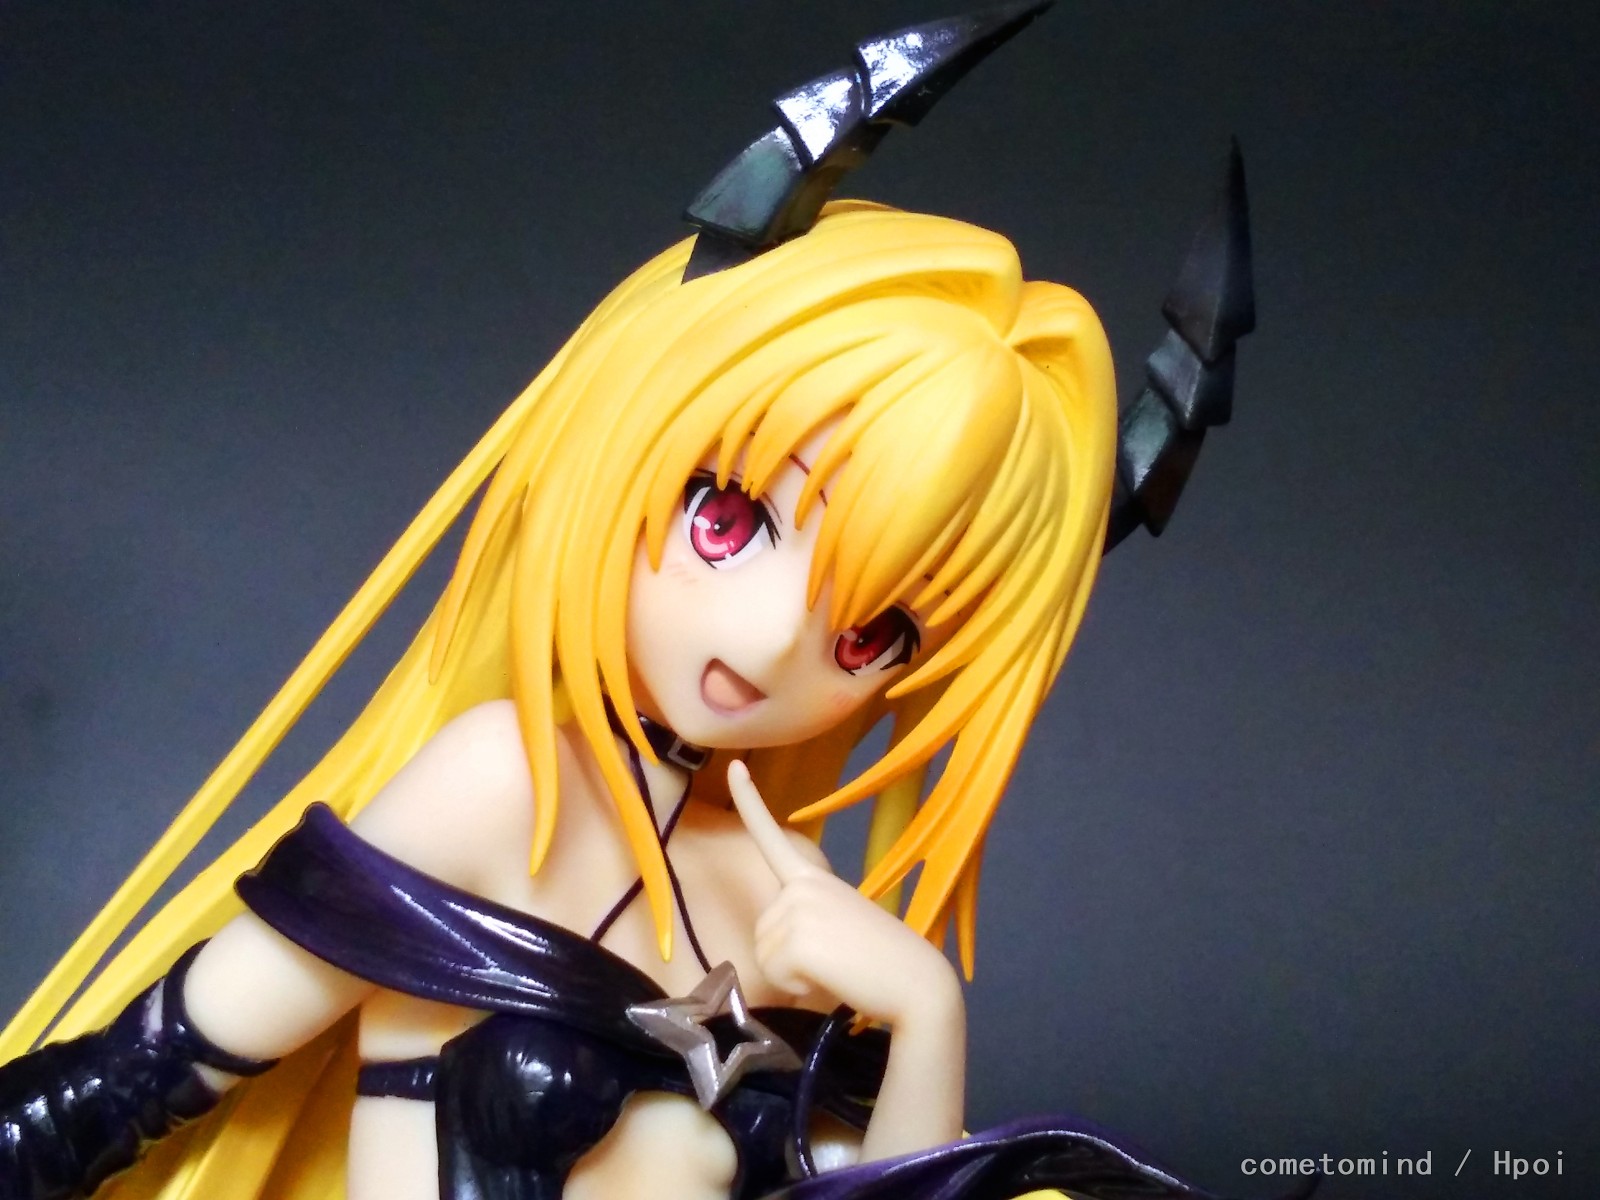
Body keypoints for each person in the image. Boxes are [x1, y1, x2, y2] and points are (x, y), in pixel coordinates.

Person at [0, 9, 1260, 1200]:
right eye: (730, 519)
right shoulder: (499, 786)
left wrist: (926, 1011)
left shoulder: (791, 897)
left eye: (870, 632)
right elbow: (135, 1080)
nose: (768, 640)